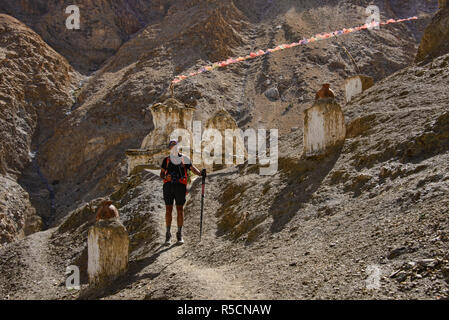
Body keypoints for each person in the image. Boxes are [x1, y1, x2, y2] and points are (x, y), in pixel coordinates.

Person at [160, 140, 206, 245]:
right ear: (170, 148)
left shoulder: (184, 159)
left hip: (180, 186)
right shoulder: (166, 160)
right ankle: (168, 235)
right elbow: (161, 174)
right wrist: (166, 176)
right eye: (172, 146)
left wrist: (200, 173)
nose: (174, 148)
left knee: (180, 209)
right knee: (168, 210)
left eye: (175, 146)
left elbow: (192, 168)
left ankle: (179, 234)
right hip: (168, 186)